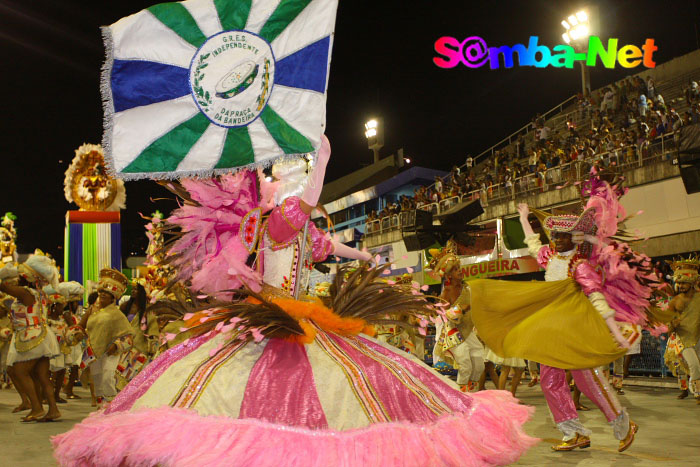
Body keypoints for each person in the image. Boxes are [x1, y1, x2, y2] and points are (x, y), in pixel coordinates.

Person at [54, 136, 536, 466]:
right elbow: (305, 206)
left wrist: (361, 252)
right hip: (271, 316)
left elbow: (331, 245)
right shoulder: (281, 222)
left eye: (305, 173)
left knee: (362, 378)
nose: (302, 185)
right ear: (281, 190)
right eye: (298, 177)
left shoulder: (301, 230)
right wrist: (322, 162)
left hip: (308, 316)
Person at [468, 170, 662, 453]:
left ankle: (622, 422)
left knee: (586, 379)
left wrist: (613, 330)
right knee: (549, 381)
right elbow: (533, 243)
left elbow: (596, 298)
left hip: (573, 329)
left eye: (561, 235)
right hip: (551, 330)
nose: (556, 239)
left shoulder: (580, 266)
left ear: (575, 237)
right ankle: (574, 432)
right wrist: (524, 219)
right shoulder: (551, 257)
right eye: (554, 235)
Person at [0, 252, 62, 422]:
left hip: (31, 335)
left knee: (19, 372)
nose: (18, 277)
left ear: (28, 277)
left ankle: (36, 408)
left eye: (21, 274)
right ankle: (53, 410)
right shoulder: (39, 293)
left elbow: (3, 287)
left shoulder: (25, 292)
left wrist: (4, 274)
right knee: (40, 375)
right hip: (39, 334)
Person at [430, 242, 485, 392]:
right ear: (448, 275)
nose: (459, 272)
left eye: (459, 268)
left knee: (479, 361)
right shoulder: (446, 293)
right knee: (465, 363)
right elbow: (447, 315)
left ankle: (470, 391)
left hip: (467, 330)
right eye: (455, 270)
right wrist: (463, 308)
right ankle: (462, 394)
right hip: (452, 332)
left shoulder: (467, 288)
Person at [79, 269, 134, 407]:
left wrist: (116, 346)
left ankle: (112, 408)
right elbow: (81, 326)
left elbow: (128, 337)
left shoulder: (117, 314)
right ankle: (100, 409)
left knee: (107, 378)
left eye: (107, 294)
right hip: (95, 351)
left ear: (112, 298)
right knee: (97, 379)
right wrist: (78, 333)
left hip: (111, 353)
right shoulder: (93, 310)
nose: (103, 295)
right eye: (101, 292)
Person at [665, 257, 700, 404]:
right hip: (681, 338)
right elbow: (667, 323)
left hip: (697, 336)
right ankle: (697, 393)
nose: (681, 285)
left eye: (684, 282)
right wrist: (672, 324)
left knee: (693, 364)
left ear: (692, 282)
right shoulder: (675, 301)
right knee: (693, 365)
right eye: (678, 282)